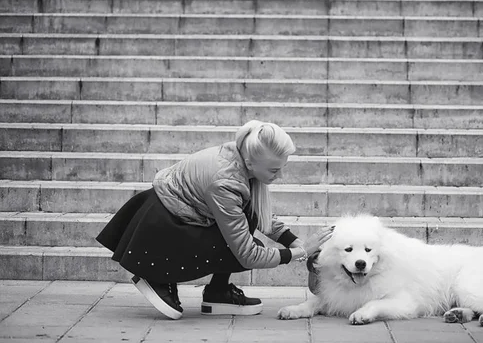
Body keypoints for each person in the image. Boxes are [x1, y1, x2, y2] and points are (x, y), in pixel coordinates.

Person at [96, 120, 334, 320]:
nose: (280, 176)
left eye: (281, 168)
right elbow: (247, 253)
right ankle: (158, 275)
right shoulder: (226, 182)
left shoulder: (244, 155)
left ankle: (218, 292)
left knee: (247, 223)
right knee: (253, 249)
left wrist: (294, 242)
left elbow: (258, 216)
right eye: (274, 170)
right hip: (161, 230)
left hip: (178, 217)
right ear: (252, 163)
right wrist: (299, 253)